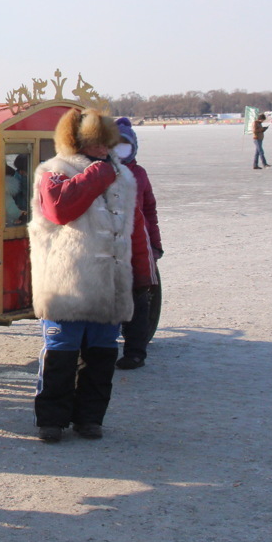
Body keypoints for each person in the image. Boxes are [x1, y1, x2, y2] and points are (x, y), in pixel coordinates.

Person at [28, 108, 146, 443]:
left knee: (102, 354)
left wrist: (143, 269)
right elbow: (59, 209)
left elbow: (135, 228)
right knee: (61, 352)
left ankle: (90, 418)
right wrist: (96, 175)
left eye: (106, 144)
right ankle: (51, 420)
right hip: (68, 281)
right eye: (97, 143)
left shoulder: (123, 176)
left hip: (110, 282)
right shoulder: (54, 171)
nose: (104, 150)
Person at [114, 118, 162, 369]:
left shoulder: (139, 173)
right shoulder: (102, 170)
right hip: (108, 243)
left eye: (125, 143)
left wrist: (155, 246)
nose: (121, 148)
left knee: (138, 298)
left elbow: (149, 210)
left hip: (136, 245)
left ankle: (135, 351)